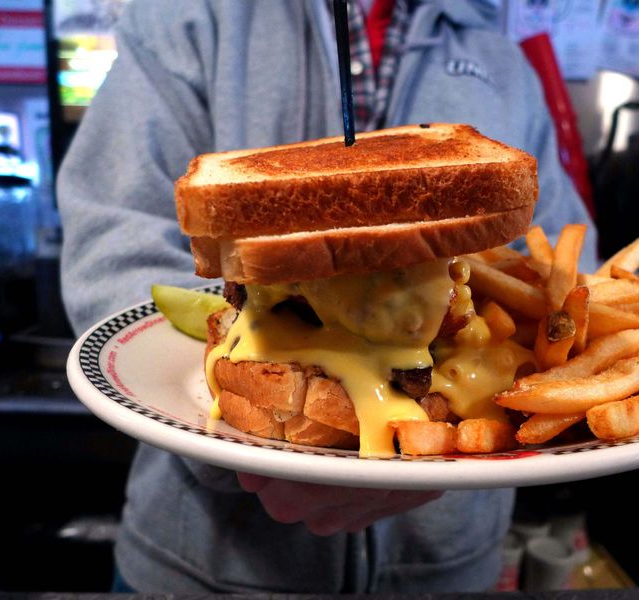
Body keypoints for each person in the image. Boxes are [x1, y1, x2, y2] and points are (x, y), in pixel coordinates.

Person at [58, 0, 596, 593]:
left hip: (444, 567)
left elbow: (564, 274)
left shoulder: (496, 51)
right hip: (205, 566)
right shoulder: (187, 17)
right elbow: (110, 237)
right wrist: (225, 451)